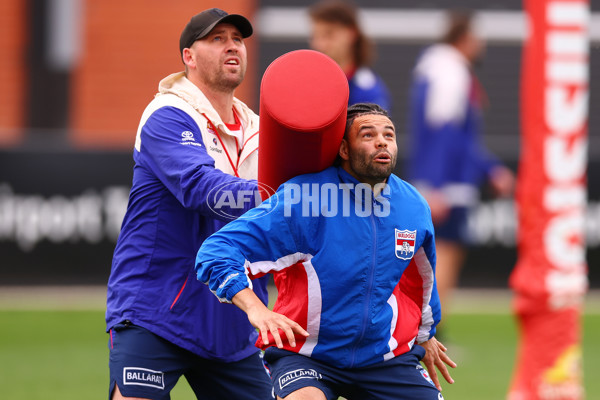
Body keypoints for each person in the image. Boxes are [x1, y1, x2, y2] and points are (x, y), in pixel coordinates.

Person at [196, 103, 456, 400]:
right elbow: (217, 250)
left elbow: (420, 279)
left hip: (384, 359)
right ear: (344, 149)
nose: (382, 141)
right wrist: (256, 310)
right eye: (368, 135)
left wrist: (426, 334)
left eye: (389, 134)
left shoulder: (413, 205)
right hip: (306, 356)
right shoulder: (303, 199)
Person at [105, 8, 273, 400]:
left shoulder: (261, 130)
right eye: (217, 39)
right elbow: (201, 188)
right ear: (188, 57)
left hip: (234, 319)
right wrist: (274, 198)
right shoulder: (167, 114)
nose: (232, 46)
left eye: (238, 39)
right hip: (157, 308)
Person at [406, 10, 514, 324]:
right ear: (463, 39)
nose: (480, 45)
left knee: (438, 256)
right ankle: (430, 328)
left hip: (445, 181)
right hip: (447, 185)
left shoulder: (437, 70)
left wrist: (488, 168)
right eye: (476, 39)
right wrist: (436, 185)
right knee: (443, 256)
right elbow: (445, 133)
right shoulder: (449, 73)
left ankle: (428, 327)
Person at [309, 0, 392, 112]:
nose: (320, 44)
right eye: (316, 36)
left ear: (351, 33)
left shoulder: (366, 90)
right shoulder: (308, 84)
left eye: (329, 34)